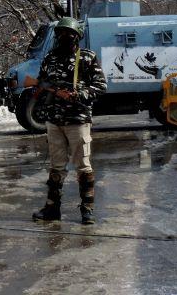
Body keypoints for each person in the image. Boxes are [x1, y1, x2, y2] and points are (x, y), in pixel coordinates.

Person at [32, 17, 107, 225]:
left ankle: (87, 210)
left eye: (70, 34)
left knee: (83, 165)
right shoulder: (50, 58)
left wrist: (78, 94)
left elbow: (100, 85)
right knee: (56, 166)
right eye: (61, 33)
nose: (65, 37)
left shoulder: (87, 58)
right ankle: (52, 208)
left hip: (77, 119)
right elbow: (41, 80)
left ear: (77, 37)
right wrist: (44, 89)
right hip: (54, 120)